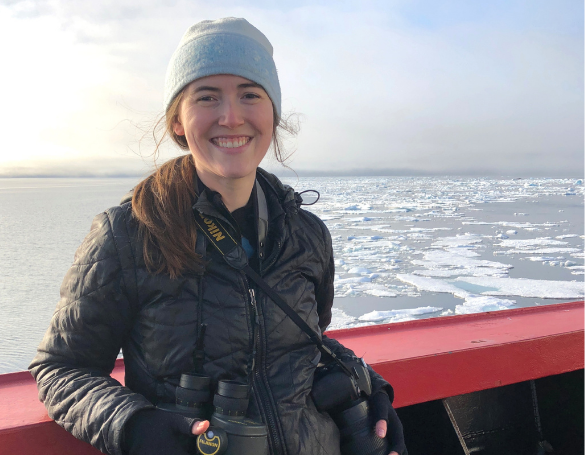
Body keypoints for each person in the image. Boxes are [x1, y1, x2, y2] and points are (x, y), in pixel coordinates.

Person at [29, 17, 406, 455]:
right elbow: (61, 368)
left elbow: (305, 342)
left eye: (250, 94)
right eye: (207, 97)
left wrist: (374, 390)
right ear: (177, 122)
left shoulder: (306, 235)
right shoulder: (130, 235)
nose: (231, 117)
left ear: (272, 115)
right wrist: (135, 425)